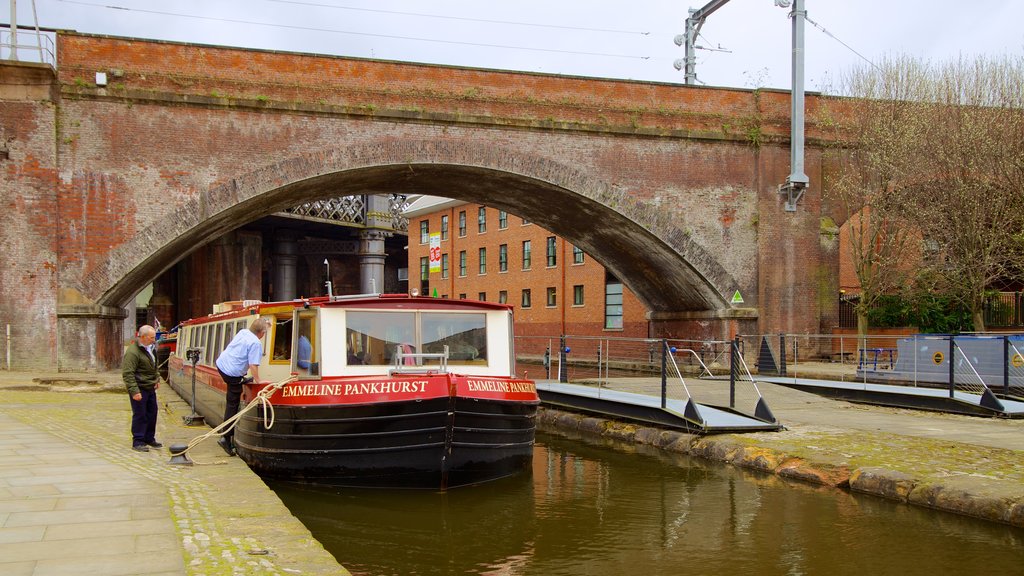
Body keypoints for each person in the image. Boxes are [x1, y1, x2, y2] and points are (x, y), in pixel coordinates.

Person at [214, 317, 268, 456]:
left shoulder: (243, 332)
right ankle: (225, 438)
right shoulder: (256, 343)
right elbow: (253, 365)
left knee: (234, 393)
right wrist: (259, 382)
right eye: (265, 332)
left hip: (221, 364)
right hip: (232, 374)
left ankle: (227, 435)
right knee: (232, 403)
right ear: (261, 333)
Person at [121, 325, 162, 452]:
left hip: (150, 386)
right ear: (142, 337)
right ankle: (138, 440)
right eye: (151, 338)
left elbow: (154, 365)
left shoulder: (150, 348)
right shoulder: (133, 352)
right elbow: (128, 373)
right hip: (140, 387)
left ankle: (149, 438)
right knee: (140, 415)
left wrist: (157, 378)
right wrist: (134, 391)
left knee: (152, 412)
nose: (154, 340)